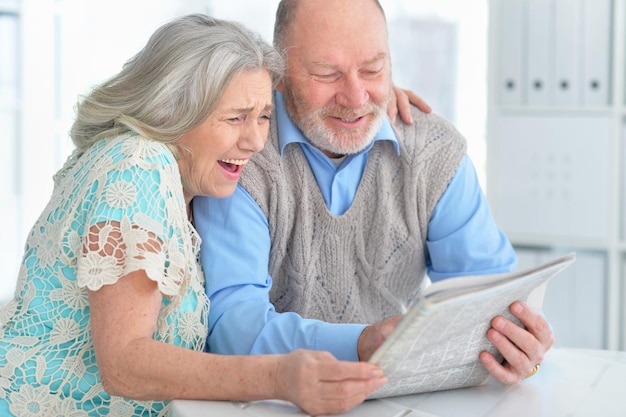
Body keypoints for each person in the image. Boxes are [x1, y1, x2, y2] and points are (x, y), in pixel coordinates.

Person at [0, 14, 393, 417]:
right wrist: (277, 377)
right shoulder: (137, 166)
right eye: (235, 117)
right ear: (172, 110)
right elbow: (123, 364)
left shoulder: (182, 181)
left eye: (263, 116)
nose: (256, 141)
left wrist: (364, 105)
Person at [194, 0, 554, 386]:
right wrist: (359, 344)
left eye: (373, 69)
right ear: (278, 74)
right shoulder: (241, 156)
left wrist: (520, 350)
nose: (356, 98)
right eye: (327, 74)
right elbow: (233, 329)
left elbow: (491, 298)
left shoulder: (433, 152)